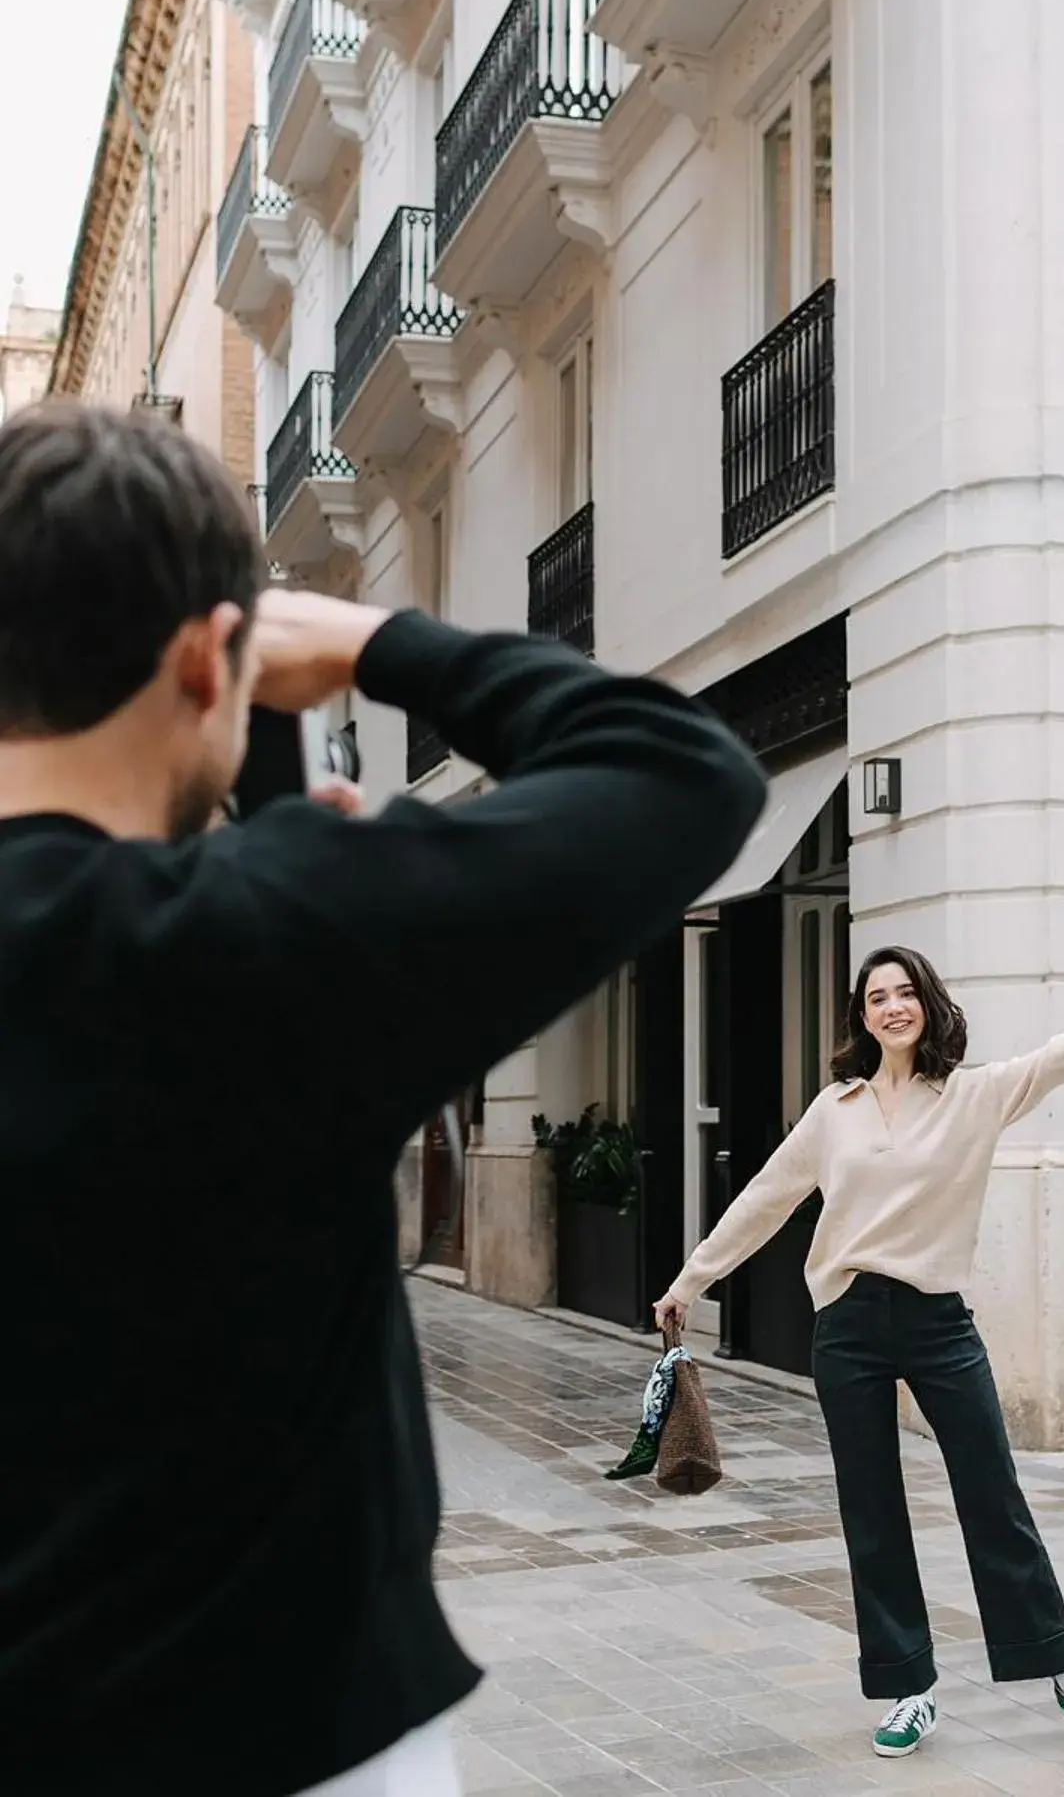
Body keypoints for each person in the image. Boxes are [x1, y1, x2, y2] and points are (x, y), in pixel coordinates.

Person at [0, 403, 766, 1797]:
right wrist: (374, 641)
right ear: (207, 657)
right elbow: (680, 768)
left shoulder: (263, 919)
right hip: (288, 1724)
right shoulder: (266, 941)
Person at [656, 942, 1064, 1760]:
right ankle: (908, 1687)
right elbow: (766, 1197)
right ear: (862, 1016)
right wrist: (692, 1281)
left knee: (993, 1494)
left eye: (905, 992)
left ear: (929, 1004)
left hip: (938, 1320)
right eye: (877, 997)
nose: (892, 1007)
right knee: (871, 1509)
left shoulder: (974, 1095)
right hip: (848, 1323)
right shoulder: (835, 1110)